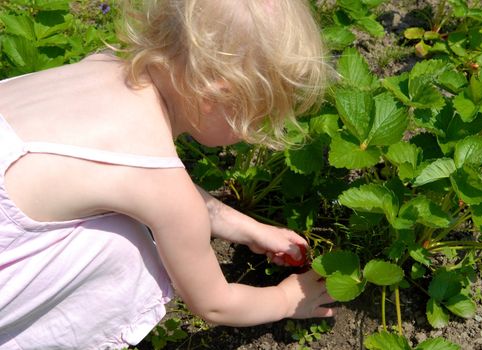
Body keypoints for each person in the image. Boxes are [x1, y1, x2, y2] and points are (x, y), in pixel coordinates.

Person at [0, 0, 335, 348]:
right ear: (215, 96)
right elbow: (215, 304)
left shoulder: (102, 66)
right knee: (126, 251)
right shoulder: (162, 187)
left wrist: (249, 228)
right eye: (258, 116)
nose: (252, 134)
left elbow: (152, 186)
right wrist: (284, 299)